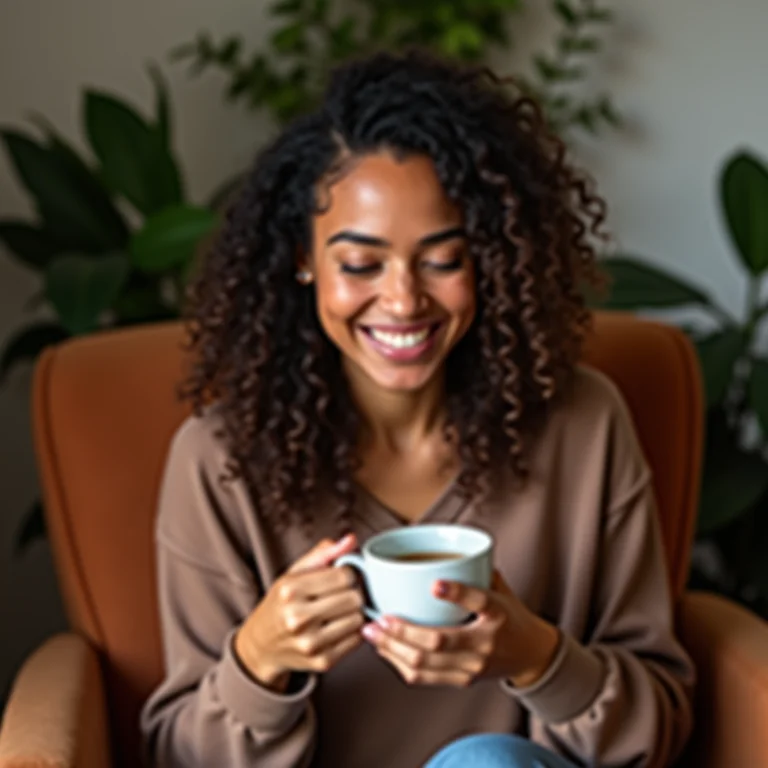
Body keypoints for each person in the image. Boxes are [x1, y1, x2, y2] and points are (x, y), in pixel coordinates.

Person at [140, 50, 694, 768]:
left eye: (443, 259)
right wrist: (258, 661)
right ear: (303, 260)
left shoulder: (583, 427)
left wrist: (536, 657)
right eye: (361, 264)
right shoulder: (220, 463)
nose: (403, 300)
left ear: (489, 259)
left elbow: (659, 728)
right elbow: (179, 755)